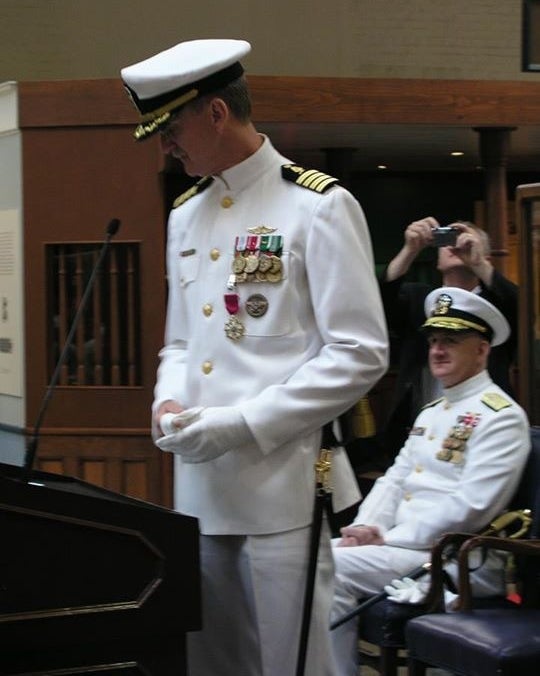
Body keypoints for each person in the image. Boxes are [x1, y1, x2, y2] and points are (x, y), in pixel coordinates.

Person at [120, 39, 388, 676]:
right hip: (200, 489)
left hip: (284, 487)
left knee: (291, 664)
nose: (166, 146)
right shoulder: (186, 216)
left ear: (216, 113)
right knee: (213, 662)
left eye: (172, 129)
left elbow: (360, 352)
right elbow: (181, 341)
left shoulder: (317, 205)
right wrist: (168, 397)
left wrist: (243, 423)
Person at [330, 286, 530, 676]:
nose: (437, 350)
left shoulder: (501, 416)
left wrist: (387, 537)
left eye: (452, 341)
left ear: (483, 350)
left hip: (455, 557)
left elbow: (472, 507)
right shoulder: (433, 411)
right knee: (311, 559)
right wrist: (367, 525)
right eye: (435, 340)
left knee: (326, 568)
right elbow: (395, 477)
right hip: (407, 546)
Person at [378, 216, 518, 463]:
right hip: (418, 426)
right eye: (447, 239)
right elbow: (379, 304)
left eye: (465, 241)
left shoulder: (497, 305)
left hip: (480, 430)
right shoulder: (420, 299)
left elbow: (521, 307)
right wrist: (409, 250)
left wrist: (478, 264)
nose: (455, 246)